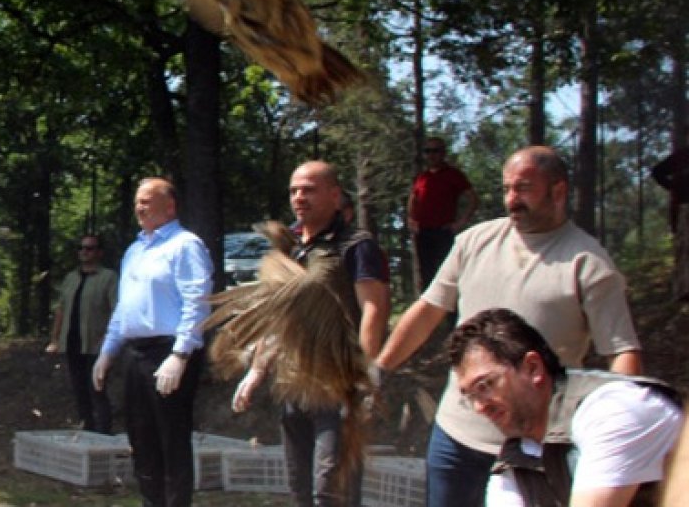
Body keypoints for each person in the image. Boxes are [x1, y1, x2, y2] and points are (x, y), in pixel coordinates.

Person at [375, 146, 643, 507]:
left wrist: (619, 429)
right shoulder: (474, 242)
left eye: (524, 188)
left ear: (558, 191)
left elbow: (622, 351)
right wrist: (379, 369)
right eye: (506, 189)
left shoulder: (589, 264)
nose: (511, 200)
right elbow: (427, 311)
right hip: (455, 438)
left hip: (534, 450)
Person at [234, 161, 390, 507]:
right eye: (293, 190)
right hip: (293, 384)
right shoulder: (288, 247)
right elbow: (274, 315)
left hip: (338, 385)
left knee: (331, 492)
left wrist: (367, 374)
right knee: (300, 492)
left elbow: (374, 310)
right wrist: (256, 371)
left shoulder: (356, 245)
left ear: (335, 196)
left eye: (309, 189)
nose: (299, 197)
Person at [447, 308, 682, 507]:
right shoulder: (517, 459)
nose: (479, 407)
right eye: (470, 396)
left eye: (485, 385)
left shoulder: (614, 409)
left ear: (533, 368)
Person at [92, 177, 212, 507]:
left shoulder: (185, 245)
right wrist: (108, 351)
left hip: (169, 350)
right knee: (141, 439)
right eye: (136, 201)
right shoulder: (135, 251)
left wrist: (181, 353)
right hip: (135, 353)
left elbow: (197, 301)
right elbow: (124, 307)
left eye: (147, 200)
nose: (139, 207)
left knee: (170, 440)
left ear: (170, 206)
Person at [45, 233, 118, 434]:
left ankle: (103, 434)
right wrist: (55, 339)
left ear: (99, 252)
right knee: (79, 391)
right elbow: (61, 309)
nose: (84, 252)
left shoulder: (108, 278)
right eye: (81, 248)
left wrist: (108, 339)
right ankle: (87, 429)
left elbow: (117, 310)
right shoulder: (71, 278)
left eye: (90, 248)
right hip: (72, 342)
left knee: (97, 389)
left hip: (96, 344)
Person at [407, 137, 477, 289]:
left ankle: (452, 312)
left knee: (448, 273)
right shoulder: (423, 177)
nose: (431, 155)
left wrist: (461, 222)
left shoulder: (453, 175)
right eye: (428, 151)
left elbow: (472, 198)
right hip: (423, 233)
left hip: (443, 231)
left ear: (443, 153)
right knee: (427, 274)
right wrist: (411, 220)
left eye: (435, 151)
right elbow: (413, 197)